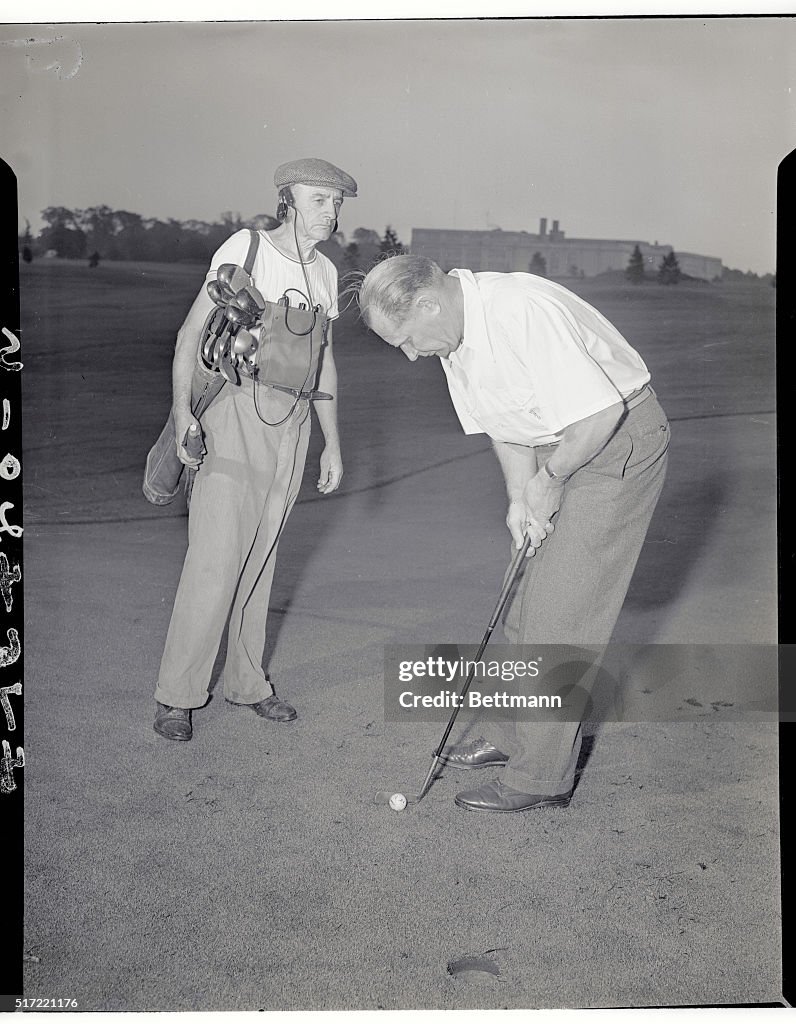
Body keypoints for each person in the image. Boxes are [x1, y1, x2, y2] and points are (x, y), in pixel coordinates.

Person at [358, 255, 669, 812]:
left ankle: (541, 778)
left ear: (429, 302)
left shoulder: (519, 309)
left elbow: (598, 416)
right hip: (560, 446)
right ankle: (508, 735)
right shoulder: (452, 337)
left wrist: (548, 483)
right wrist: (519, 500)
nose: (409, 355)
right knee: (521, 597)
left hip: (614, 441)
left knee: (560, 615)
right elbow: (505, 428)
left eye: (406, 340)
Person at [153, 157, 358, 741]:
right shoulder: (245, 248)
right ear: (288, 200)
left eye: (337, 202)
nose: (331, 211)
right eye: (319, 199)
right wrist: (183, 413)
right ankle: (177, 695)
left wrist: (332, 444)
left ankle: (247, 685)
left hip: (293, 425)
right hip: (237, 413)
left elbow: (325, 364)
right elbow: (192, 335)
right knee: (215, 561)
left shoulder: (323, 273)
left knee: (262, 562)